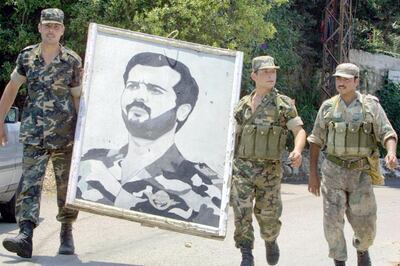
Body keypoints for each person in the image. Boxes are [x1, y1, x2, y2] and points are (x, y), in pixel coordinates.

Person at [77, 52, 222, 227]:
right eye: (132, 86)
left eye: (155, 90)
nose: (139, 96)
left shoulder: (205, 187)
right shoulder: (88, 160)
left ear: (182, 111)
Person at [0, 8, 82, 258]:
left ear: (62, 31)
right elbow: (12, 87)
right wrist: (0, 120)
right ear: (39, 27)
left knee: (64, 188)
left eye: (56, 27)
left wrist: (81, 134)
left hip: (64, 135)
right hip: (34, 133)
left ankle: (66, 232)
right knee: (30, 186)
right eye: (47, 25)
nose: (51, 30)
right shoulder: (27, 57)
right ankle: (25, 235)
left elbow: (78, 98)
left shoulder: (72, 61)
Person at [307, 63, 398, 266]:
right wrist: (313, 174)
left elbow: (387, 132)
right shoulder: (328, 107)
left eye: (347, 79)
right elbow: (315, 140)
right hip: (333, 173)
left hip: (360, 174)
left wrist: (391, 152)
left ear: (356, 81)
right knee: (332, 222)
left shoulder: (371, 106)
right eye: (339, 78)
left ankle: (362, 250)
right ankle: (339, 260)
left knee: (366, 225)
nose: (342, 82)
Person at [231, 55, 306, 266]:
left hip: (269, 173)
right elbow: (232, 136)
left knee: (268, 216)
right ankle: (246, 254)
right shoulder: (242, 106)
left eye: (273, 72)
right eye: (265, 72)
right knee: (241, 211)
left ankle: (270, 239)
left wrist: (297, 151)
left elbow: (299, 131)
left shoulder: (282, 104)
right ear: (254, 75)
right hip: (242, 170)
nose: (271, 75)